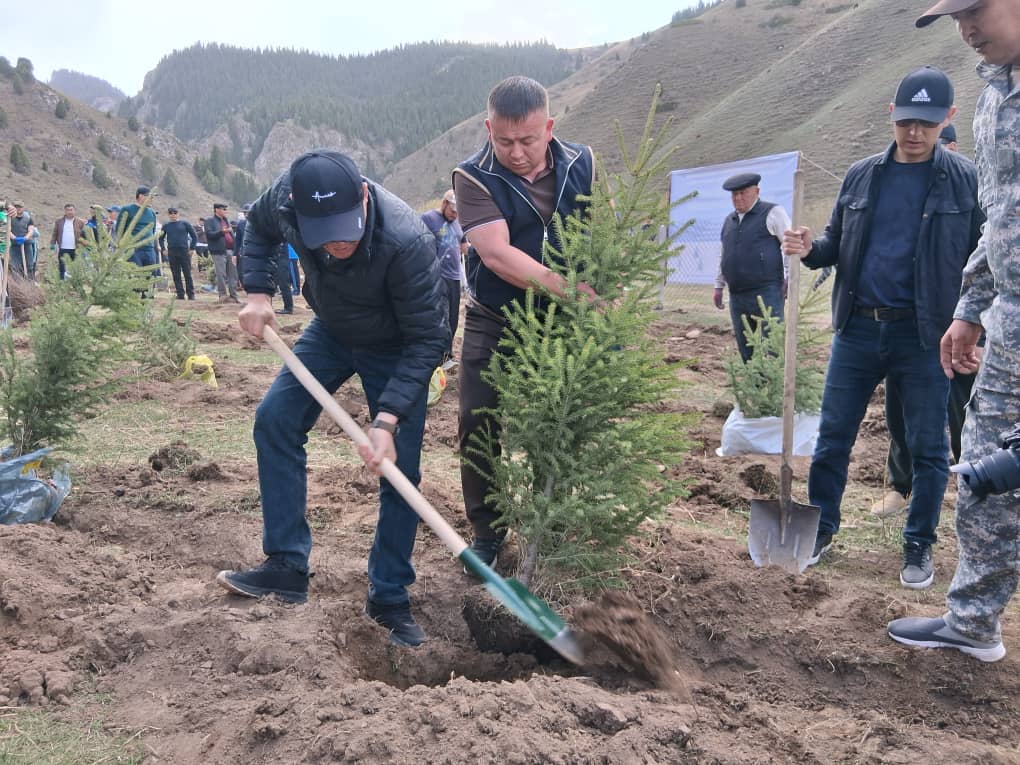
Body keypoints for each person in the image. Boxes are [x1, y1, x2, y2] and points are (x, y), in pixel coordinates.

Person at [215, 150, 448, 647]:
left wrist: (386, 420)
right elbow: (256, 230)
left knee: (399, 467)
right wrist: (257, 292)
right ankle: (286, 566)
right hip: (332, 330)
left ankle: (389, 596)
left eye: (345, 229)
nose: (337, 243)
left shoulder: (406, 239)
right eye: (323, 234)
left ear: (362, 196)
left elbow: (429, 338)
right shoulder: (285, 197)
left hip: (396, 345)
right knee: (275, 419)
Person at [782, 66, 984, 589]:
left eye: (928, 124)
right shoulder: (861, 175)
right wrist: (809, 249)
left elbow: (983, 261)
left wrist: (975, 327)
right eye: (906, 121)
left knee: (928, 446)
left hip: (925, 335)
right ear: (891, 114)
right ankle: (821, 529)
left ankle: (918, 543)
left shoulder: (967, 181)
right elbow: (834, 244)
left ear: (949, 118)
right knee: (832, 438)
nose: (915, 132)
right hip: (858, 329)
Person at [887, 0, 1020, 663]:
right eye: (954, 17)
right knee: (988, 470)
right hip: (1010, 324)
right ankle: (972, 622)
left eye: (976, 10)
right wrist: (971, 306)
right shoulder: (994, 99)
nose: (966, 29)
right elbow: (999, 217)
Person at [451, 75, 595, 566]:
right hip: (495, 316)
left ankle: (549, 524)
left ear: (549, 128)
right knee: (477, 419)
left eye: (528, 140)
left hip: (563, 323)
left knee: (558, 421)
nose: (516, 153)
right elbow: (497, 255)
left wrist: (605, 290)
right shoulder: (472, 176)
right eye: (504, 140)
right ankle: (488, 534)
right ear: (488, 128)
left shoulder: (582, 163)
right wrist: (573, 291)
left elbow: (600, 228)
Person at [713, 174, 790, 362]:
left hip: (767, 292)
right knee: (746, 347)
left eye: (743, 193)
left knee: (771, 346)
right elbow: (725, 254)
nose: (738, 198)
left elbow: (790, 246)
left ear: (756, 191)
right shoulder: (729, 221)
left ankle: (773, 379)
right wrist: (719, 286)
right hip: (737, 295)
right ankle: (752, 379)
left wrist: (789, 276)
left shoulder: (772, 213)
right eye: (734, 194)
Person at [420, 189, 464, 370]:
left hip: (455, 276)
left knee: (453, 318)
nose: (455, 215)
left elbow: (463, 246)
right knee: (441, 316)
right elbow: (419, 242)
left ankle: (447, 355)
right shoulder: (429, 218)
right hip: (437, 276)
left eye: (458, 212)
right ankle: (438, 357)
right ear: (444, 204)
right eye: (453, 211)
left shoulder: (458, 222)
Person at [116, 187, 159, 295]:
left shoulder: (152, 213)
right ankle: (134, 300)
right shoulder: (127, 209)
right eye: (150, 197)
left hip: (149, 249)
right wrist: (123, 246)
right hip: (133, 250)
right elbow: (120, 229)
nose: (152, 199)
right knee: (135, 276)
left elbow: (152, 230)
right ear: (141, 196)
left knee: (151, 275)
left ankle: (147, 301)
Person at [158, 207, 199, 300]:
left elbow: (194, 236)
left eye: (175, 213)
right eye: (171, 213)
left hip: (184, 251)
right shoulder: (166, 226)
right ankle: (180, 294)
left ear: (178, 214)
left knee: (187, 273)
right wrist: (163, 249)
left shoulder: (185, 224)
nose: (173, 215)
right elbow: (160, 238)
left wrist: (192, 248)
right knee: (176, 274)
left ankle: (191, 294)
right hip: (172, 252)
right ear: (168, 215)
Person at [204, 203, 239, 303]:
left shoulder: (226, 220)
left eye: (225, 209)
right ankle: (223, 295)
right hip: (218, 251)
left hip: (231, 250)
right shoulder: (210, 221)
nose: (225, 211)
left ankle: (233, 296)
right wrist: (221, 232)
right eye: (223, 209)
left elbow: (231, 235)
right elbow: (209, 234)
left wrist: (236, 248)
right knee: (221, 274)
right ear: (216, 210)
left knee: (233, 275)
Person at [50, 203, 86, 280]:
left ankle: (75, 282)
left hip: (76, 249)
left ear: (74, 211)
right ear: (65, 211)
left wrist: (85, 244)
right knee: (62, 268)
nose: (69, 212)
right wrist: (52, 243)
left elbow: (84, 235)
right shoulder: (59, 221)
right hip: (63, 248)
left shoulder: (80, 222)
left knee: (76, 268)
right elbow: (55, 233)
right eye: (67, 210)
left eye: (71, 210)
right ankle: (62, 282)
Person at [8, 201, 35, 278]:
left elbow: (31, 230)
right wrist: (15, 238)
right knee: (15, 265)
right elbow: (7, 230)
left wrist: (25, 238)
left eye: (20, 207)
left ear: (23, 208)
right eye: (16, 207)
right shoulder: (9, 218)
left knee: (29, 264)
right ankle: (18, 282)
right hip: (14, 245)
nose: (18, 208)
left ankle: (30, 280)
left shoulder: (28, 218)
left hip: (27, 244)